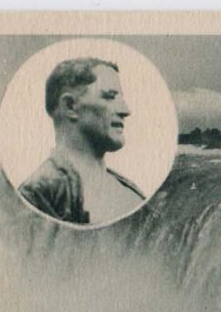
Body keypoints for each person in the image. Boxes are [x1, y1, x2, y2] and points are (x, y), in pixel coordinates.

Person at [18, 57, 144, 225]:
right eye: (110, 97)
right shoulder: (38, 194)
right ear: (71, 106)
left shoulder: (131, 192)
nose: (126, 110)